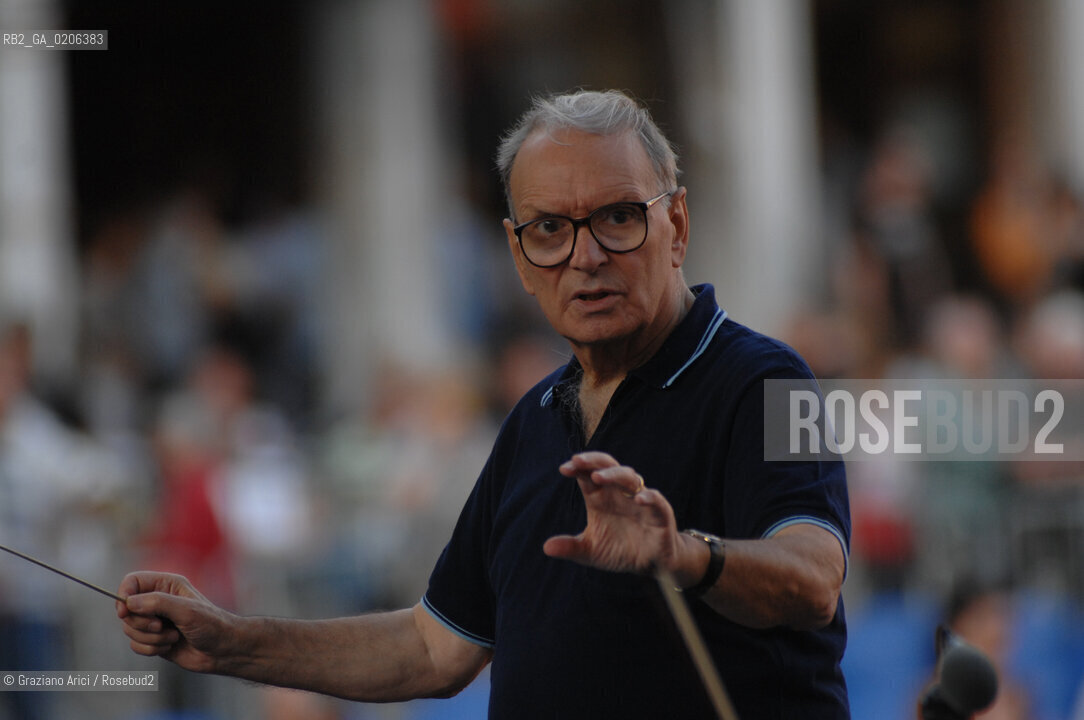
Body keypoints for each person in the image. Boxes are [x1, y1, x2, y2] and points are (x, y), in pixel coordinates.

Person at [117, 89, 851, 719]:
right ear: (518, 258)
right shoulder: (534, 418)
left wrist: (685, 554)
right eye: (550, 231)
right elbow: (433, 647)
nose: (585, 256)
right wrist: (230, 639)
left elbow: (814, 577)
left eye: (618, 217)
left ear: (678, 226)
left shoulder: (768, 379)